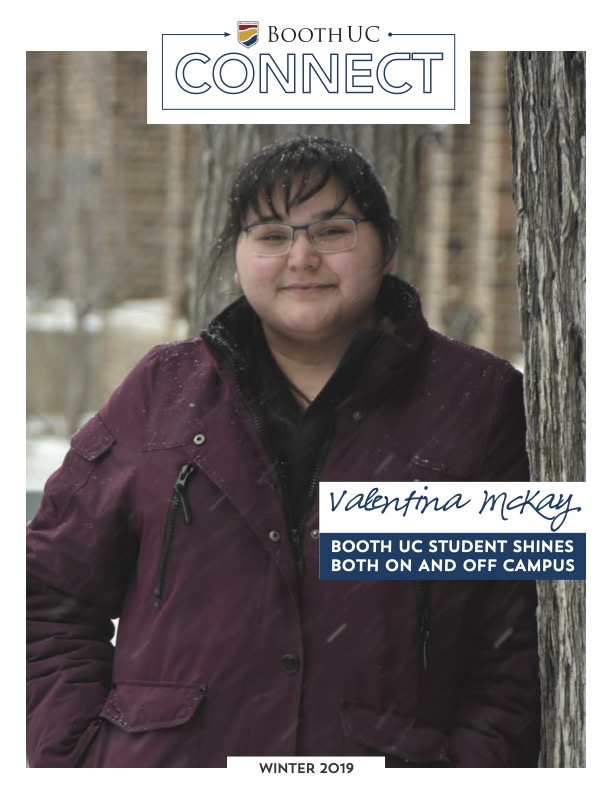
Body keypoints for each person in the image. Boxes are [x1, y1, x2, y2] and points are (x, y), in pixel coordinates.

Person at [26, 135, 540, 768]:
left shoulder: (474, 403)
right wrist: (74, 759)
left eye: (332, 231)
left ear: (387, 247)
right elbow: (44, 594)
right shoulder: (163, 392)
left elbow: (516, 646)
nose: (302, 257)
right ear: (237, 258)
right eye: (270, 235)